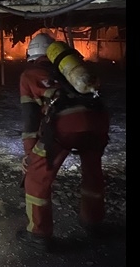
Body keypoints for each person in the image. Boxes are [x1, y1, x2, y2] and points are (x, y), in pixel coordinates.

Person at [17, 32, 110, 252]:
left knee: (37, 178)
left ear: (31, 55)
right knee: (93, 173)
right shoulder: (74, 70)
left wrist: (30, 155)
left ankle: (38, 234)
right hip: (98, 120)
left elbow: (30, 117)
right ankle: (94, 223)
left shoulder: (30, 74)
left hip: (67, 124)